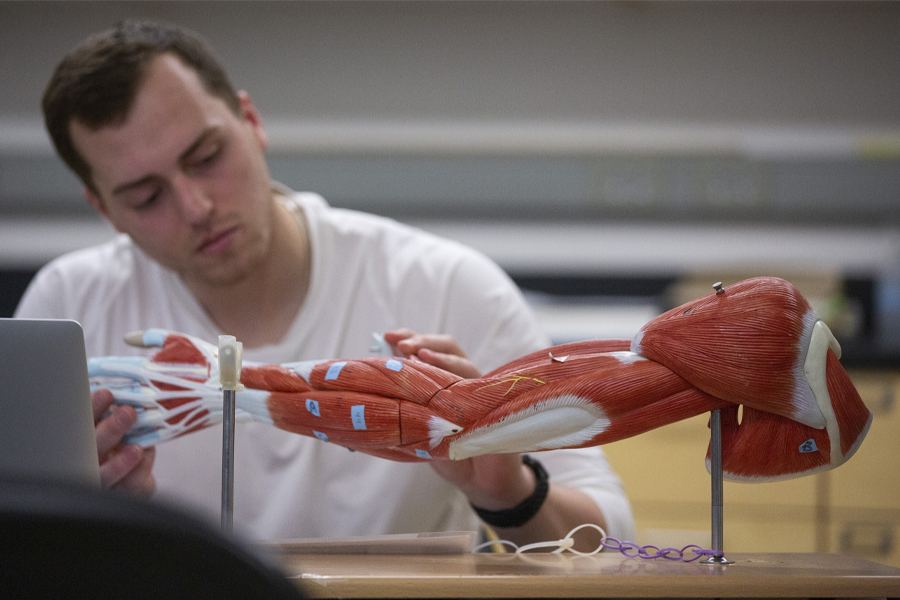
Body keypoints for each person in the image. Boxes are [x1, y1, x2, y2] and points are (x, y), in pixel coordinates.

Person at [17, 19, 634, 549]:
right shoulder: (66, 312)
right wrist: (87, 525)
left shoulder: (447, 288)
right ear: (102, 208)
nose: (196, 205)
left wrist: (511, 492)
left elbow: (615, 539)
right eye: (146, 196)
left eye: (207, 156)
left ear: (251, 121)